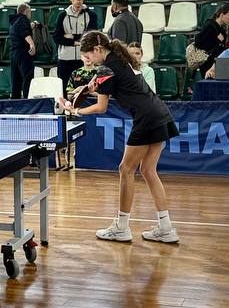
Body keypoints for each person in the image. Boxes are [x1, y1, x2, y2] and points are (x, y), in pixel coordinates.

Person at [59, 31, 179, 244]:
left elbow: (101, 107)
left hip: (146, 118)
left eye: (88, 56)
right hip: (160, 113)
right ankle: (166, 228)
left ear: (97, 49)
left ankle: (121, 227)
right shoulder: (119, 58)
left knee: (126, 169)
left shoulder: (106, 68)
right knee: (148, 170)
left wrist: (75, 111)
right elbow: (97, 85)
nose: (89, 61)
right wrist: (84, 90)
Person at [52, 0, 98, 94]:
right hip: (65, 58)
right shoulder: (62, 16)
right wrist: (76, 41)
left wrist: (71, 36)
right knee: (64, 89)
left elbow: (91, 37)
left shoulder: (91, 15)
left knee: (84, 90)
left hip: (83, 58)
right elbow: (57, 37)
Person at [191, 3, 229, 77]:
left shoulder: (220, 28)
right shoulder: (210, 25)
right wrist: (217, 40)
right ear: (222, 15)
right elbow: (198, 42)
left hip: (216, 61)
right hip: (208, 63)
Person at [9, 3, 36, 99]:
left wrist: (32, 25)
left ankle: (15, 101)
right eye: (30, 12)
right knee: (27, 78)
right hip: (23, 52)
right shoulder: (23, 19)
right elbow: (24, 31)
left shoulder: (14, 22)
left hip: (14, 53)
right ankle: (27, 100)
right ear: (26, 12)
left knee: (16, 80)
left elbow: (21, 29)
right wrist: (31, 44)